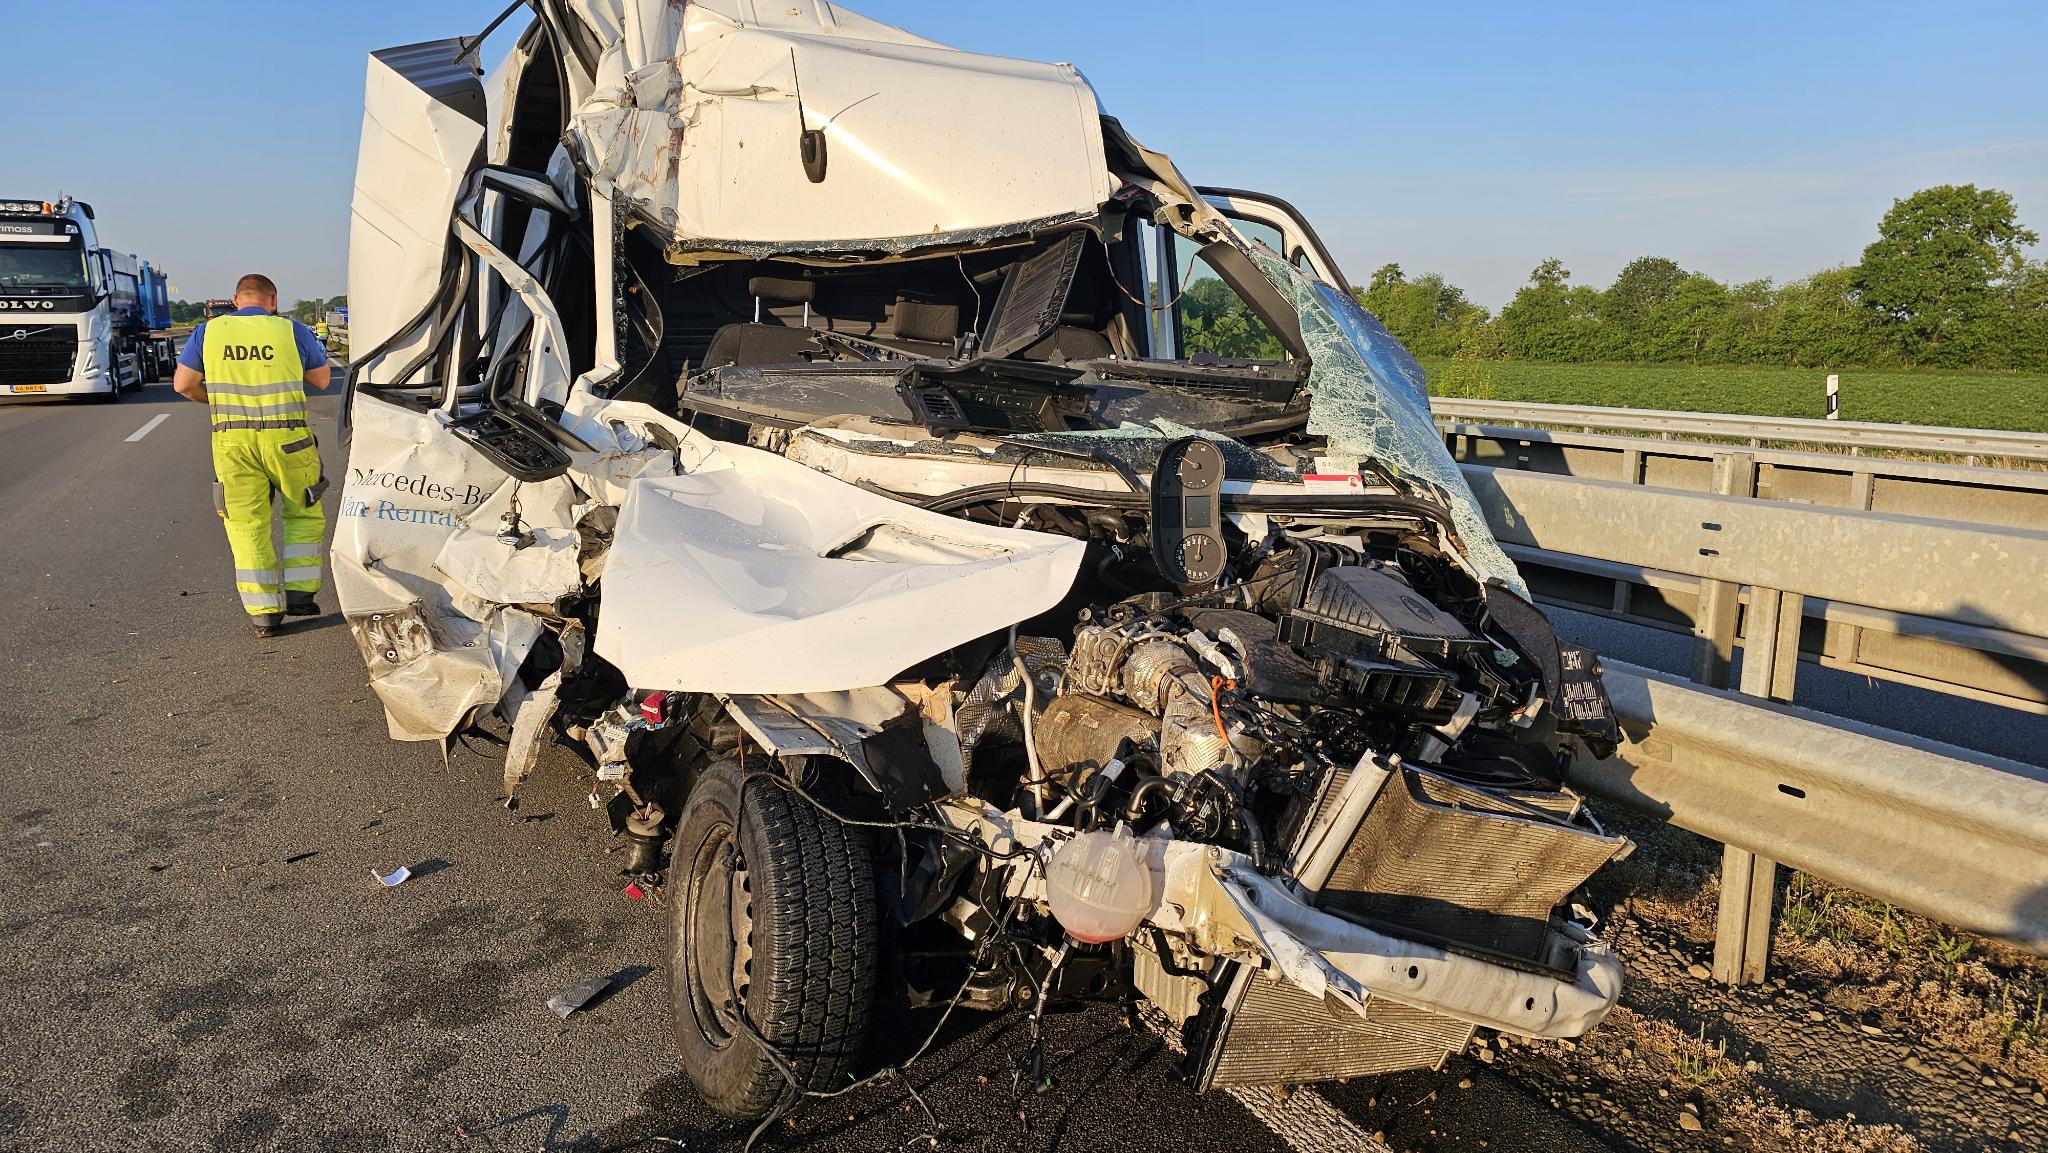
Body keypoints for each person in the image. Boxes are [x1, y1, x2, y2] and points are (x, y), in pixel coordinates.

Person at [172, 273, 331, 637]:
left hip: (233, 444)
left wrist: (219, 399)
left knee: (245, 526)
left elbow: (183, 385)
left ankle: (264, 615)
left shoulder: (207, 332)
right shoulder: (290, 330)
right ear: (272, 299)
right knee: (303, 514)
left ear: (236, 299)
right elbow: (323, 380)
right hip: (289, 441)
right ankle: (300, 597)